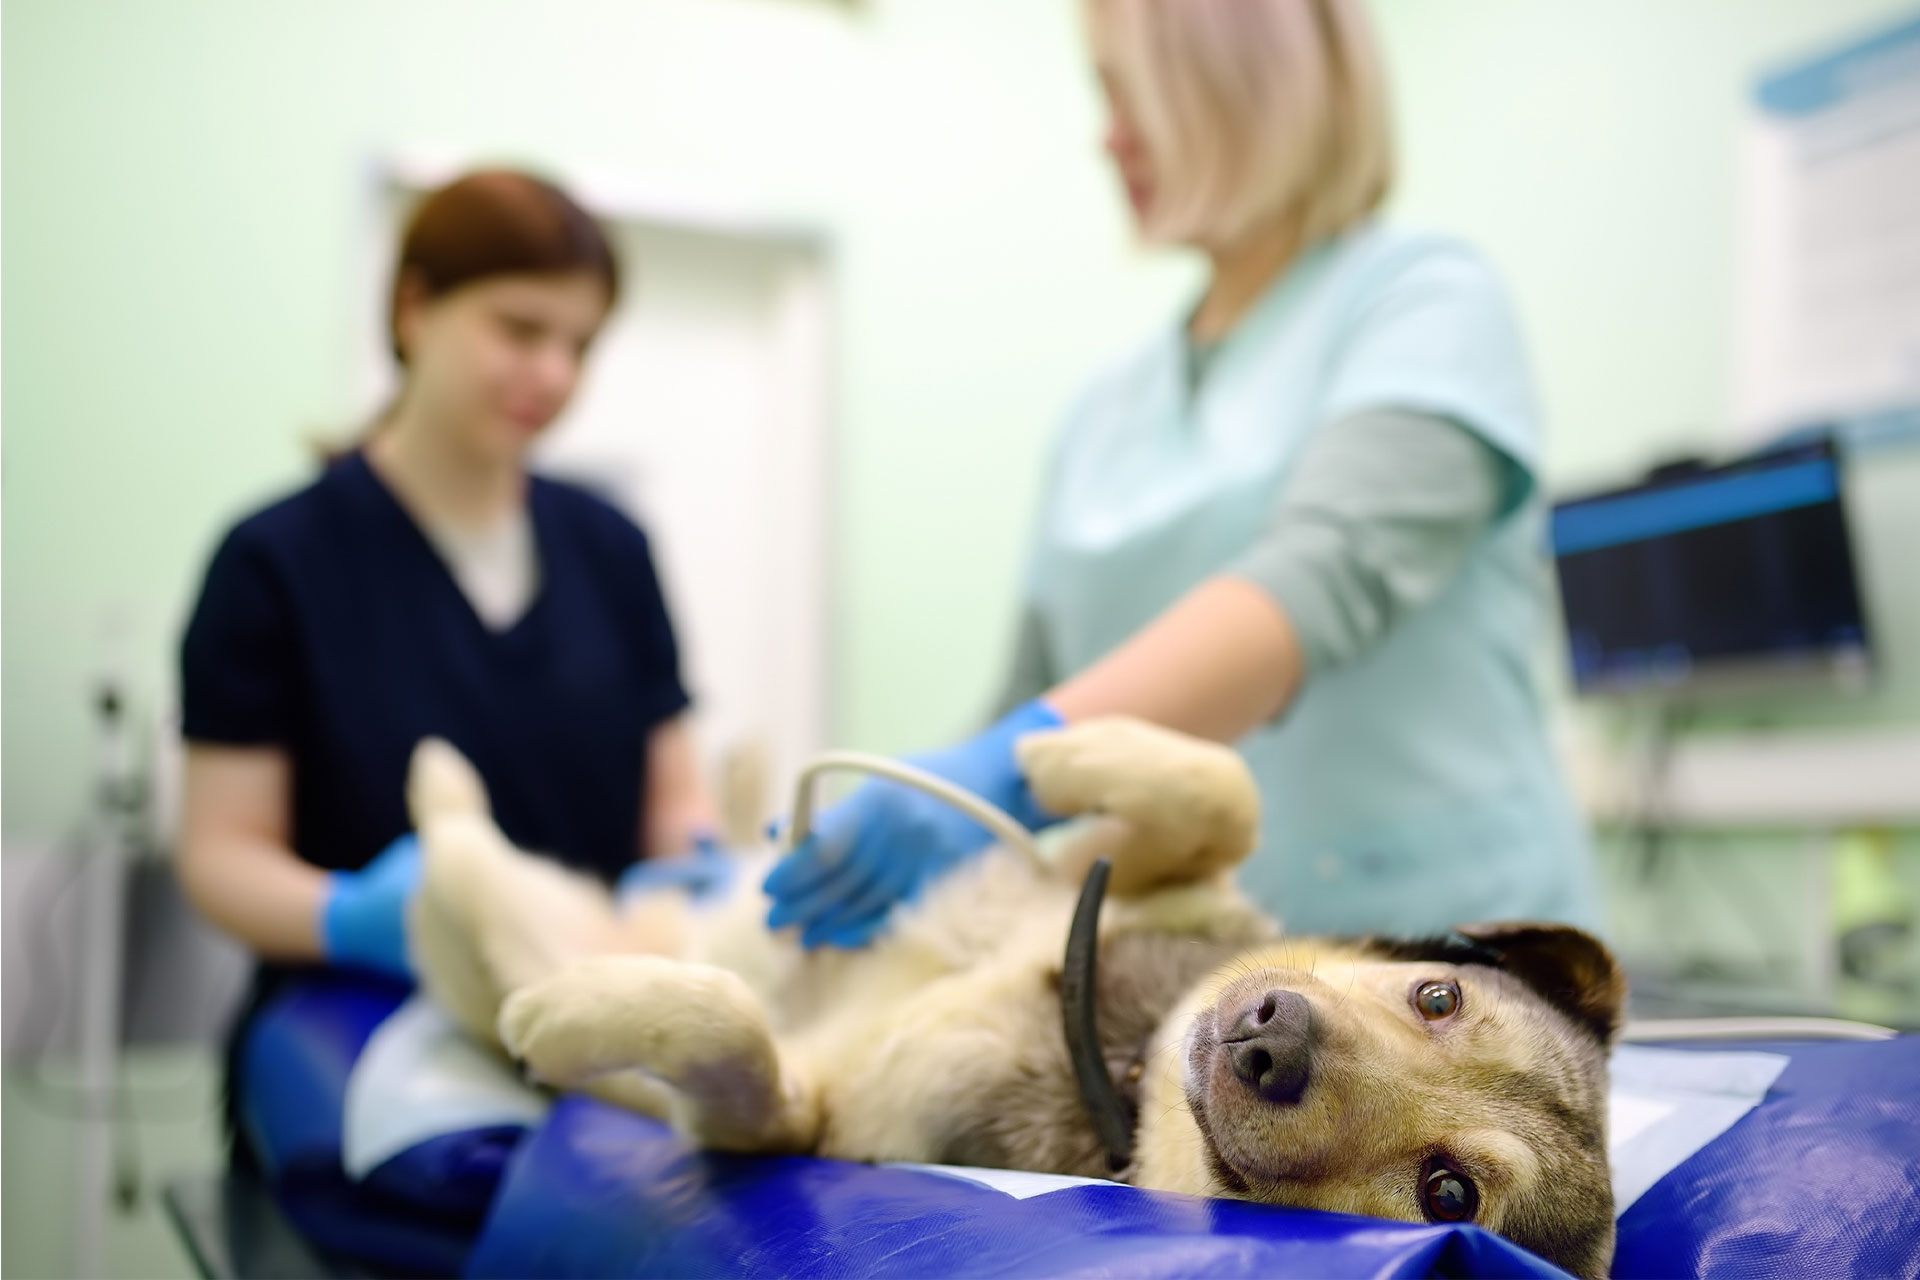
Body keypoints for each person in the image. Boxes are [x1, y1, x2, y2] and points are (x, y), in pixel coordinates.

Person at [766, 0, 1601, 948]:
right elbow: (1032, 701)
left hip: (1454, 956)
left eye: (1131, 95)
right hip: (1207, 980)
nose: (1107, 139)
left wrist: (1007, 773)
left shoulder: (1427, 302)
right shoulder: (1105, 409)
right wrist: (864, 830)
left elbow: (1320, 578)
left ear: (1246, 88)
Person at [177, 171, 723, 1150]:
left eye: (580, 345)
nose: (553, 373)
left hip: (580, 1032)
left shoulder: (611, 547)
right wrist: (351, 916)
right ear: (415, 307)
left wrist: (693, 873)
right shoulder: (277, 560)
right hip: (362, 1038)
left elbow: (671, 797)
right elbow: (220, 848)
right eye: (520, 330)